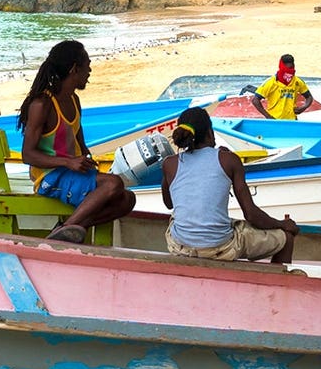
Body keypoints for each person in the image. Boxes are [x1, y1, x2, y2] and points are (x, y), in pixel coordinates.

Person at [17, 40, 136, 243]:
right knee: (113, 184)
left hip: (71, 173)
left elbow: (80, 146)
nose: (90, 71)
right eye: (87, 65)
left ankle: (70, 227)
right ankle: (64, 231)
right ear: (74, 69)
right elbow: (28, 155)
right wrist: (68, 162)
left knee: (127, 199)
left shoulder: (74, 100)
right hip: (48, 177)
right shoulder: (42, 104)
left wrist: (86, 160)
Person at [160, 107, 298, 263]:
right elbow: (251, 215)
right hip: (221, 248)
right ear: (209, 133)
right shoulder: (229, 160)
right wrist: (283, 225)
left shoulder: (169, 163)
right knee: (286, 238)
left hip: (180, 246)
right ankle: (277, 285)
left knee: (177, 216)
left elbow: (169, 203)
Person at [249, 53, 315, 119]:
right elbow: (255, 100)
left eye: (291, 68)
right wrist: (268, 116)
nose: (289, 73)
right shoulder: (271, 82)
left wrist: (303, 107)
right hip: (275, 120)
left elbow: (309, 97)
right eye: (286, 69)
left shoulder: (297, 81)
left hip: (292, 120)